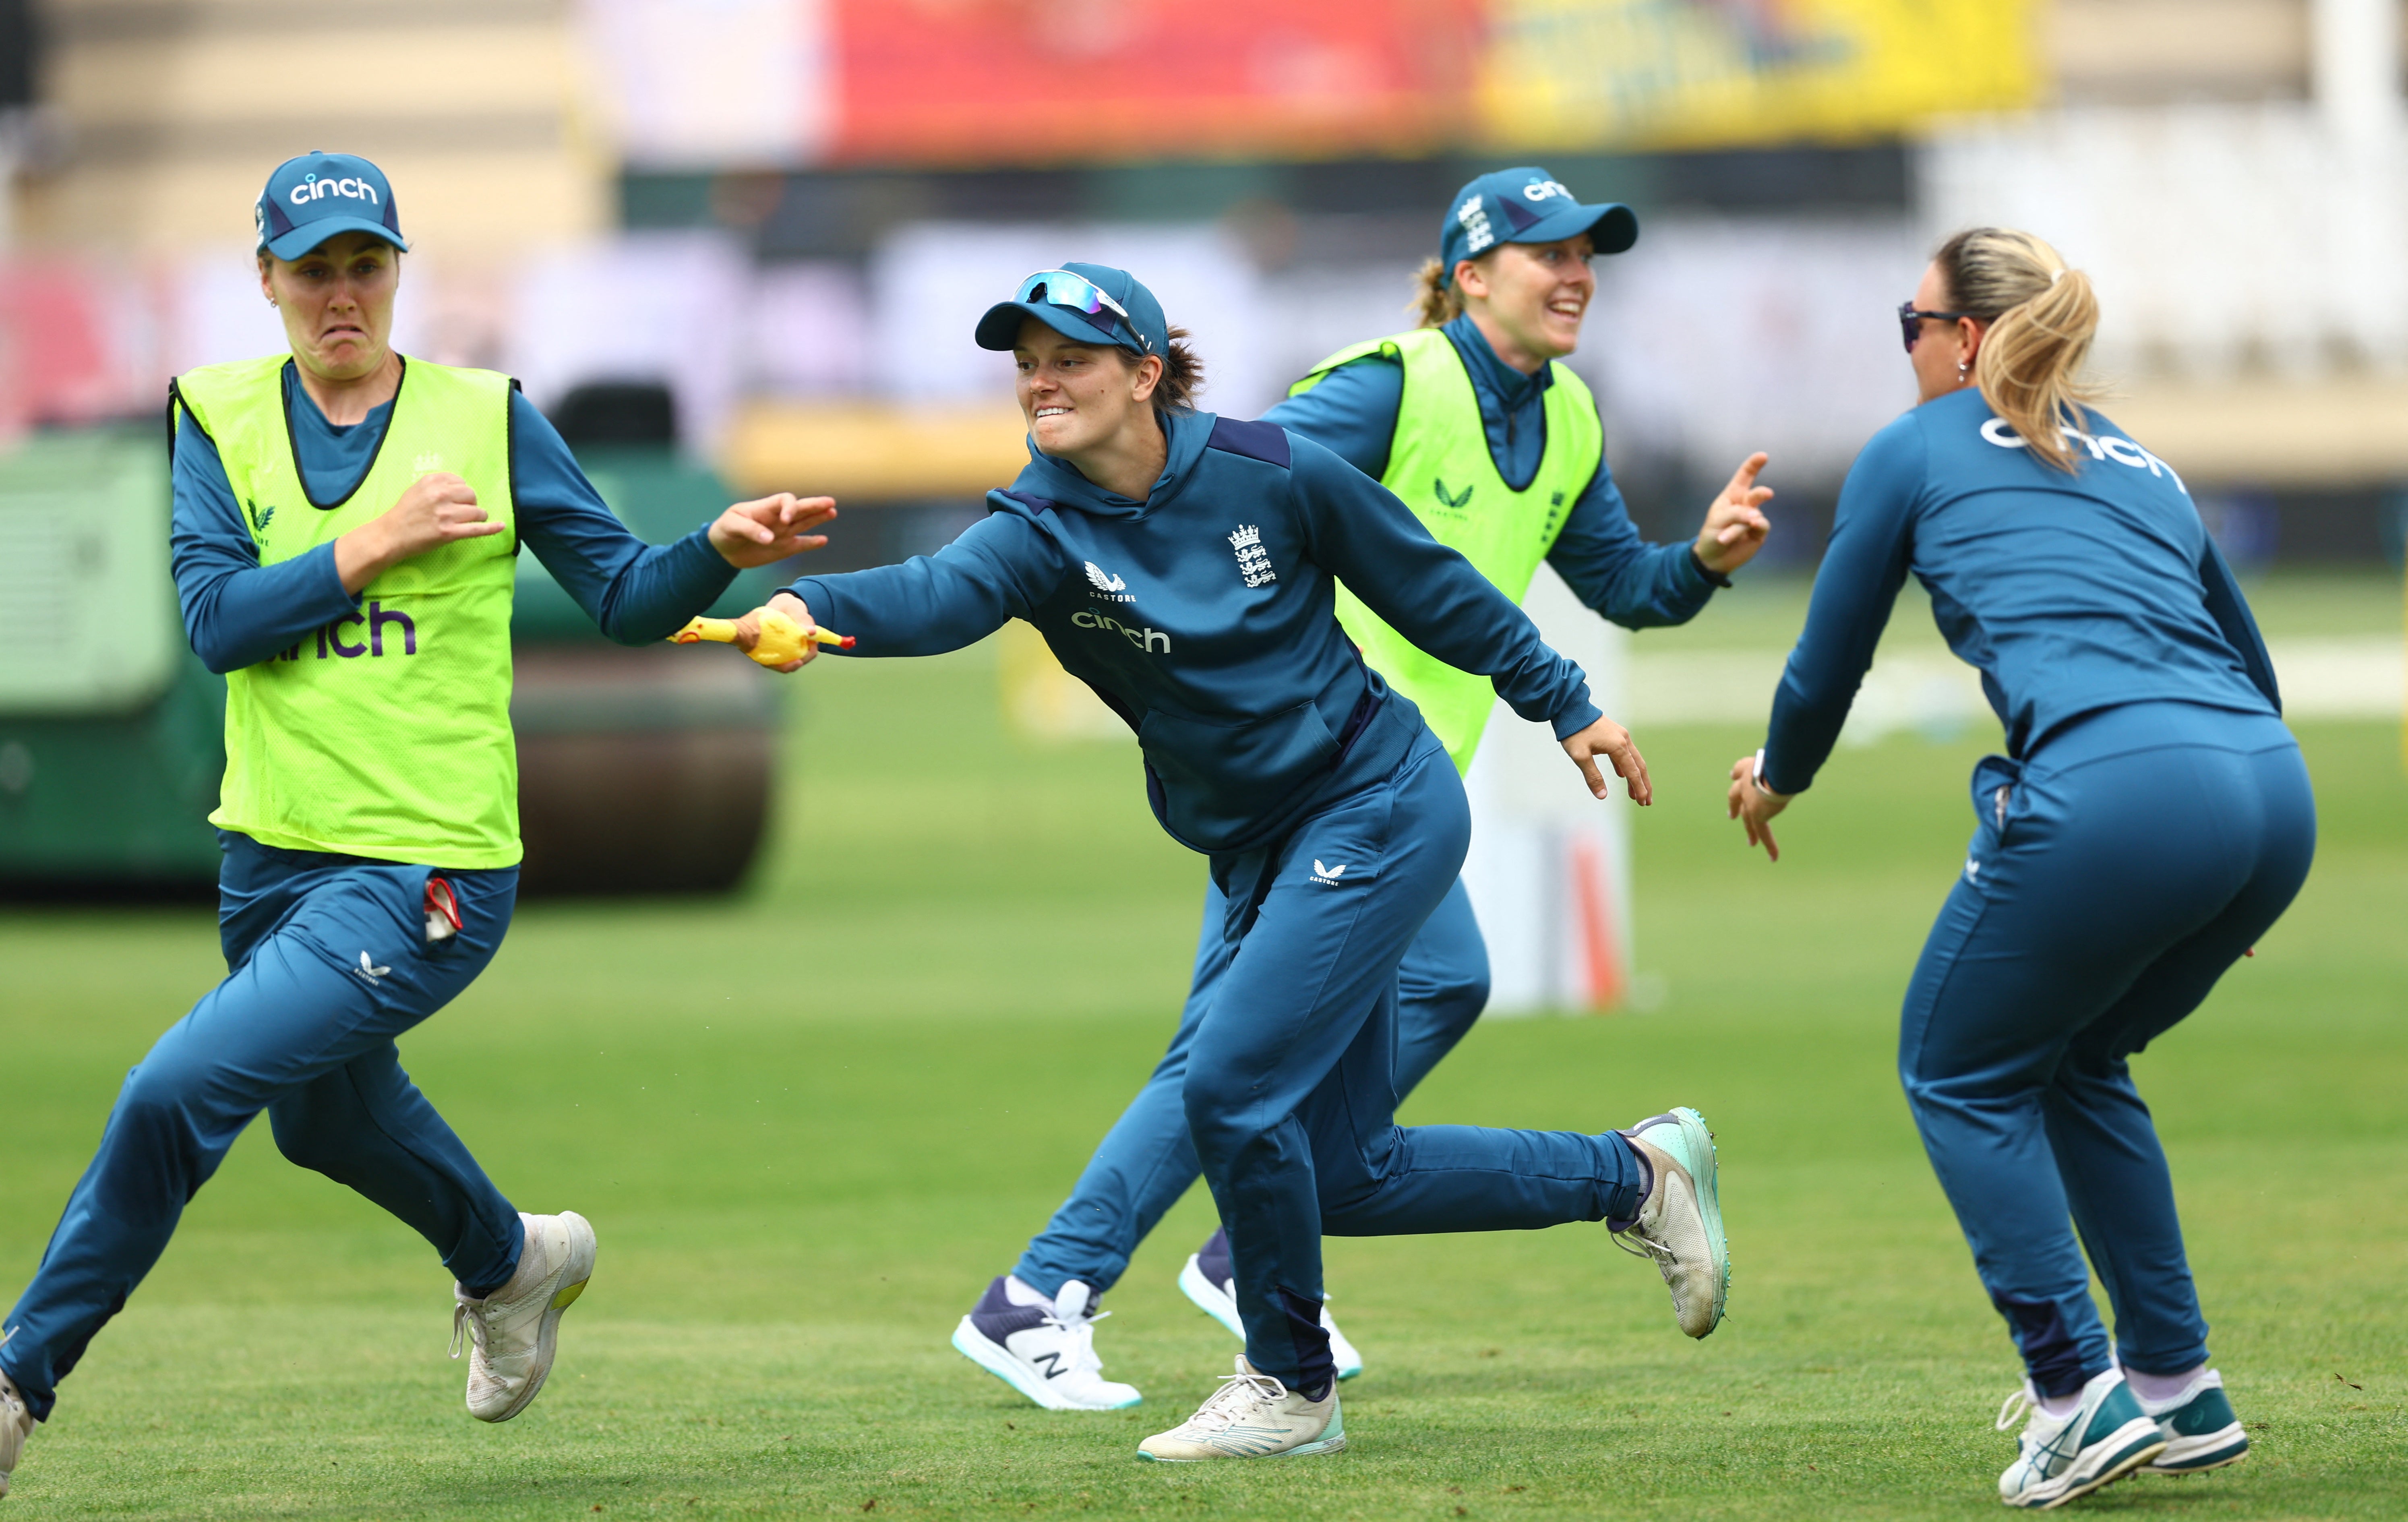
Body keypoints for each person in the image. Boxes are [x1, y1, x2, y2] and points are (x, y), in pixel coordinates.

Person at [731, 262, 1731, 1462]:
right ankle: (1632, 1176)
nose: (1041, 382)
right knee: (1345, 1175)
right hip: (1255, 850)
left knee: (1230, 1087)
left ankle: (1288, 1382)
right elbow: (938, 593)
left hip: (1378, 800)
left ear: (1144, 375)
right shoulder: (1034, 527)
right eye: (1027, 364)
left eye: (1071, 361)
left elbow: (1432, 592)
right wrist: (817, 609)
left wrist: (1564, 704)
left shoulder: (1275, 469)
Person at [0, 151, 830, 1499]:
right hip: (271, 855)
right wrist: (369, 545)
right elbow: (215, 623)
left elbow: (621, 597)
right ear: (265, 278)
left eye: (365, 264)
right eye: (314, 267)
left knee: (172, 1094)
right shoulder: (216, 416)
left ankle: (16, 1382)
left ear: (397, 272)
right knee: (320, 1125)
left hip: (427, 864)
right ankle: (513, 1262)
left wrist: (716, 552)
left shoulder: (486, 416)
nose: (343, 292)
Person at [965, 168, 1774, 1410]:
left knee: (1402, 1003)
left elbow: (1621, 586)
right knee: (1237, 1057)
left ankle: (1246, 1240)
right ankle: (1053, 1287)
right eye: (1544, 251)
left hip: (1384, 793)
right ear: (1469, 275)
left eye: (1587, 255)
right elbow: (1234, 478)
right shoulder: (1388, 385)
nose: (1574, 274)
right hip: (1301, 771)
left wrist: (1703, 561)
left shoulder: (1567, 417)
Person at [1727, 227, 2311, 1509]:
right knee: (2076, 1055)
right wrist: (2232, 866)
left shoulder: (1912, 450)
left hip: (2120, 791)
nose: (1908, 347)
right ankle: (2174, 1383)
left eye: (1912, 324)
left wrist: (1775, 773)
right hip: (2267, 794)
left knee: (1955, 1064)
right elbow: (2249, 664)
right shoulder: (2142, 460)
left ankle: (2073, 1391)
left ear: (1969, 340)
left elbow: (1828, 658)